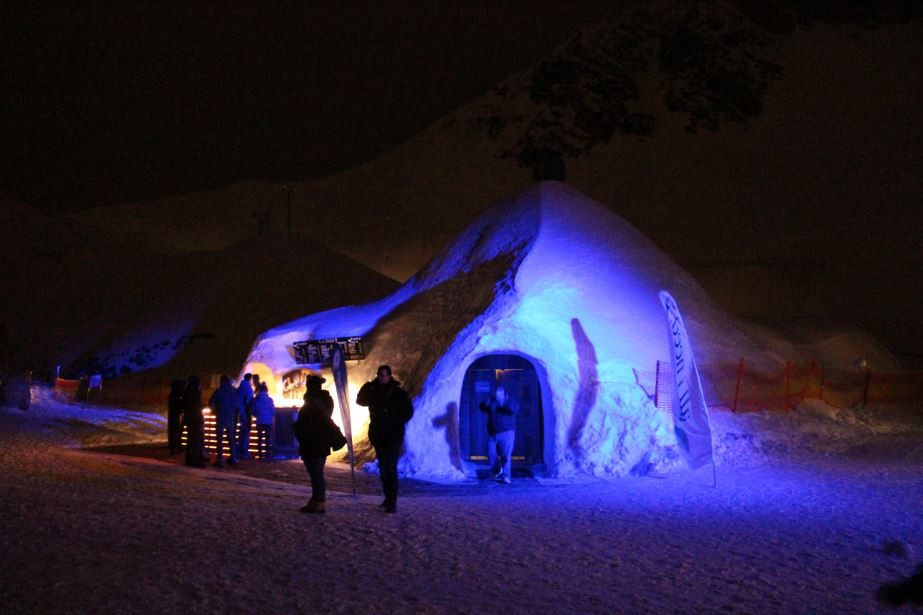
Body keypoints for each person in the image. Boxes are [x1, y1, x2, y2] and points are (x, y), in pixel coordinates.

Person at [356, 365, 413, 513]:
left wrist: (395, 420)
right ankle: (388, 498)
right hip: (379, 435)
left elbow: (408, 412)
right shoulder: (374, 392)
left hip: (393, 435)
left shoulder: (398, 393)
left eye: (384, 375)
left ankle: (392, 500)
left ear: (389, 376)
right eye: (379, 375)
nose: (381, 378)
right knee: (384, 468)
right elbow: (360, 400)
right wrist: (369, 384)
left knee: (390, 468)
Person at [292, 376, 345, 513]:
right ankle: (316, 500)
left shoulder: (315, 401)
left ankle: (319, 502)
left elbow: (312, 421)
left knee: (316, 474)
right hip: (317, 442)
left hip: (314, 442)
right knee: (316, 473)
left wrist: (299, 426)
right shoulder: (321, 400)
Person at [478, 384, 519, 484]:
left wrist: (502, 403)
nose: (497, 395)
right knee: (491, 453)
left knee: (506, 455)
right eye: (496, 393)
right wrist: (485, 403)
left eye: (500, 393)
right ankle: (497, 472)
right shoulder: (492, 401)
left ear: (504, 394)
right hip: (493, 433)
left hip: (507, 433)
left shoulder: (510, 401)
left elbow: (513, 410)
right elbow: (482, 407)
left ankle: (506, 475)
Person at [209, 374, 240, 467]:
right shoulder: (234, 391)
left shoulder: (219, 391)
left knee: (219, 438)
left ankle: (220, 459)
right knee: (231, 438)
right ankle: (233, 457)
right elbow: (237, 405)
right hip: (230, 418)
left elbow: (211, 403)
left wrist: (214, 411)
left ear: (222, 381)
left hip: (221, 417)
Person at [182, 375, 205, 467]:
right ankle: (196, 461)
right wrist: (201, 419)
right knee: (196, 440)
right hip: (195, 420)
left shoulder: (187, 392)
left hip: (189, 419)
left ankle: (189, 459)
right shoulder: (194, 394)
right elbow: (196, 408)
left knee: (190, 440)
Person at [251, 382, 276, 460]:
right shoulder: (270, 400)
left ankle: (260, 454)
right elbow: (273, 411)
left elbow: (253, 410)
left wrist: (257, 415)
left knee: (260, 438)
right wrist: (270, 416)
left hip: (260, 421)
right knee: (268, 438)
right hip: (268, 422)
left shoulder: (256, 399)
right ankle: (267, 455)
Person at [235, 373, 254, 460]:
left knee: (241, 433)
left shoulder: (240, 388)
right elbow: (247, 402)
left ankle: (238, 451)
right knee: (245, 433)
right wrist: (249, 413)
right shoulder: (249, 389)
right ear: (250, 379)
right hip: (245, 413)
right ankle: (244, 453)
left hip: (239, 412)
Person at [167, 380, 185, 455]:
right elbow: (178, 405)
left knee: (174, 432)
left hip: (173, 415)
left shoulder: (173, 394)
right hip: (175, 416)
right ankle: (174, 448)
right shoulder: (176, 395)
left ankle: (175, 447)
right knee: (175, 432)